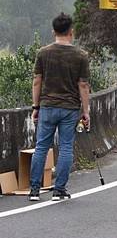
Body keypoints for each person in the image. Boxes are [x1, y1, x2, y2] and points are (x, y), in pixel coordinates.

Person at [28, 13, 90, 202]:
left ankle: (34, 190)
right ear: (71, 31)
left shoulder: (43, 53)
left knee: (41, 147)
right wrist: (86, 111)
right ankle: (59, 190)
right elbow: (83, 85)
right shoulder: (81, 55)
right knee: (65, 148)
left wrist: (35, 106)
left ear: (53, 31)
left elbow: (37, 81)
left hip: (47, 106)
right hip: (70, 108)